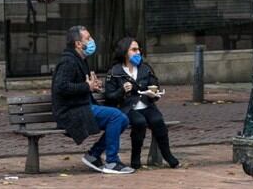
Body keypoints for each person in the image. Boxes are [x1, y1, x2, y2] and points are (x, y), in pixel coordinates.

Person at [51, 25, 135, 174]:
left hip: (81, 106)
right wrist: (86, 86)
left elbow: (78, 86)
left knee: (122, 119)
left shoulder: (79, 59)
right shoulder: (68, 61)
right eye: (88, 38)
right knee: (115, 116)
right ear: (78, 44)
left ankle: (93, 154)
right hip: (71, 112)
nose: (92, 41)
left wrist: (93, 87)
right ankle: (112, 162)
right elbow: (61, 87)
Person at [104, 37, 180, 169]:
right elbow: (109, 97)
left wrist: (153, 93)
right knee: (139, 122)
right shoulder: (115, 72)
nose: (138, 52)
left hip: (146, 104)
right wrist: (122, 90)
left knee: (157, 120)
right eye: (134, 49)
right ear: (124, 52)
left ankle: (168, 155)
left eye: (139, 49)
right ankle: (135, 157)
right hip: (128, 108)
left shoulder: (145, 68)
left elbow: (154, 84)